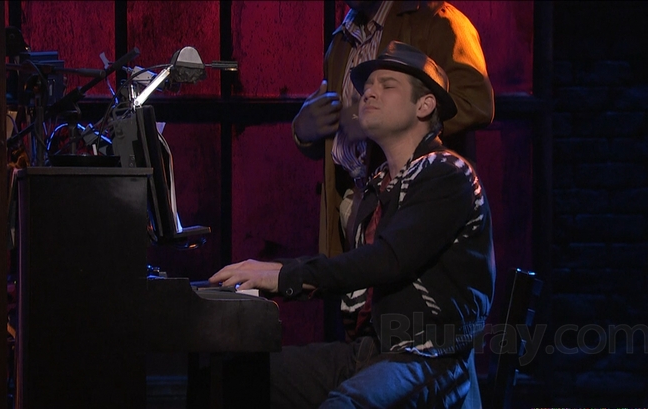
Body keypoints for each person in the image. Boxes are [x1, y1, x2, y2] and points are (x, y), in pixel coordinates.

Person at [210, 41, 495, 408]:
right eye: (368, 86)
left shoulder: (446, 173)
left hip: (430, 357)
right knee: (234, 378)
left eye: (387, 85)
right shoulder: (378, 184)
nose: (369, 93)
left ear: (424, 105)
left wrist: (284, 276)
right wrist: (273, 273)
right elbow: (356, 268)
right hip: (371, 351)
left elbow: (387, 260)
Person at [292, 1, 494, 260]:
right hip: (355, 203)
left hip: (413, 206)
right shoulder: (342, 39)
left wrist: (375, 120)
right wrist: (304, 130)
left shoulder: (438, 21)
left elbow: (476, 103)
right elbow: (341, 136)